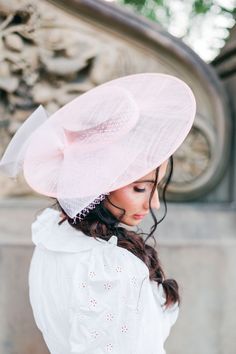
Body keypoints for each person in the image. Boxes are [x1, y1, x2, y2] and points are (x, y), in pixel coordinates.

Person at [0, 73, 196, 354]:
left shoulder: (55, 235)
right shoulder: (112, 268)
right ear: (100, 184)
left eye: (157, 188)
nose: (154, 204)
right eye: (140, 188)